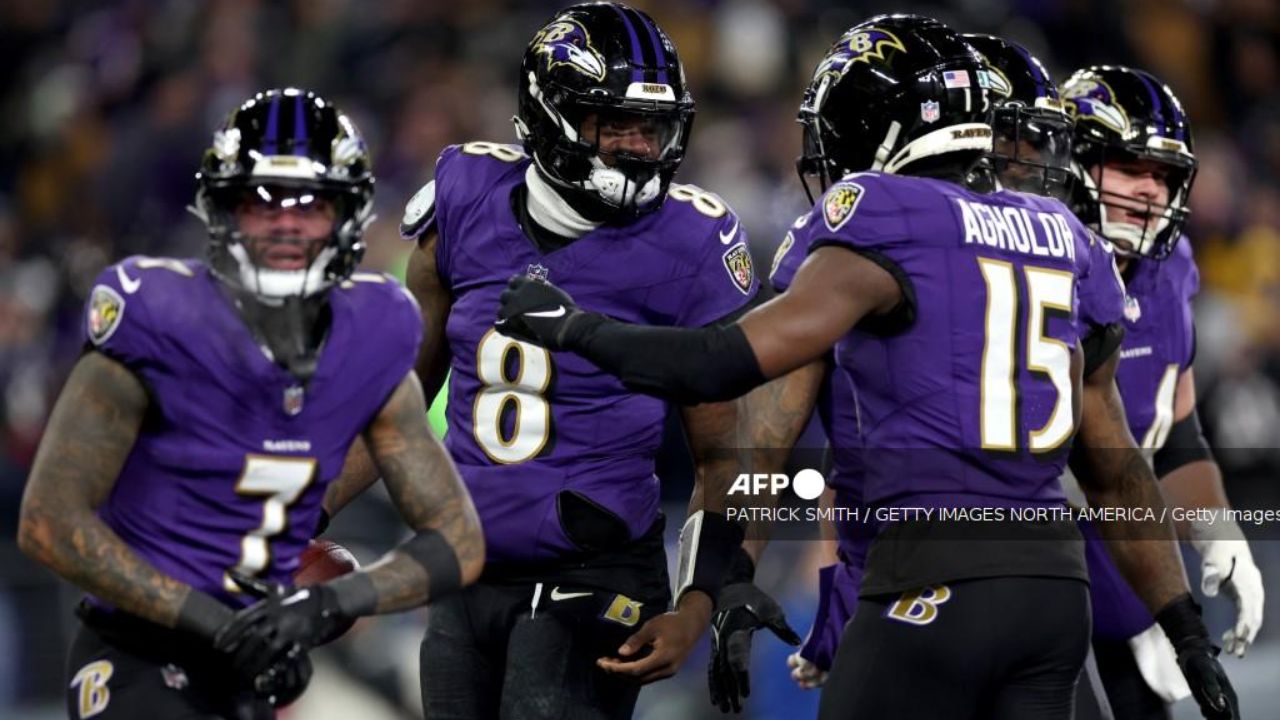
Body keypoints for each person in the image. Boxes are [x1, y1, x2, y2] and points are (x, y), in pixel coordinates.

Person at [496, 14, 1239, 720]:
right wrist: (1186, 629)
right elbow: (1118, 472)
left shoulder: (882, 215)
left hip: (927, 578)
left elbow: (734, 387)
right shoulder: (1064, 235)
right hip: (1052, 590)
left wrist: (574, 327)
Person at [341, 4, 764, 718]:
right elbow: (396, 399)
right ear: (552, 117)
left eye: (651, 128)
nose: (638, 147)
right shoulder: (468, 198)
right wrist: (297, 520)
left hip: (596, 573)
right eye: (615, 126)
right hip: (465, 567)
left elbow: (728, 458)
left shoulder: (691, 241)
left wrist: (700, 602)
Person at [16, 88, 484, 720]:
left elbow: (456, 538)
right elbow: (49, 522)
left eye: (310, 205)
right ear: (222, 209)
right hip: (139, 654)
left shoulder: (374, 330)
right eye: (261, 201)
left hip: (254, 666)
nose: (286, 225)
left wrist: (325, 605)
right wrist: (215, 618)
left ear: (346, 216)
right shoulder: (156, 315)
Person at [1060, 64, 1265, 720]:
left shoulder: (1169, 267)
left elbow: (1175, 436)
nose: (1150, 190)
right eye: (1128, 166)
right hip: (1037, 574)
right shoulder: (1030, 266)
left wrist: (1217, 532)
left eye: (1164, 174)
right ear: (1073, 161)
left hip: (1135, 576)